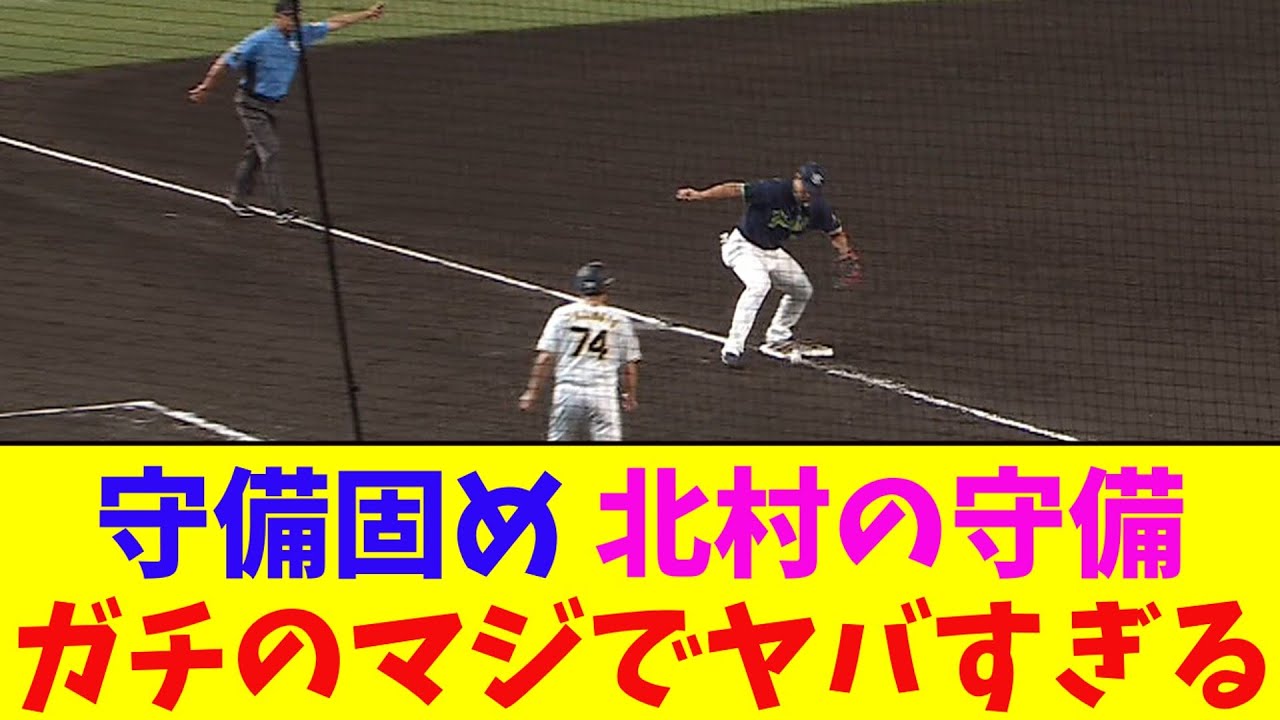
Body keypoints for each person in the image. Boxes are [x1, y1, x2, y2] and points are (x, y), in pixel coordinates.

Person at [187, 1, 386, 224]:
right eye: (290, 16)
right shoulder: (259, 40)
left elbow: (334, 23)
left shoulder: (300, 35)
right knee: (270, 150)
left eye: (297, 16)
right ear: (278, 17)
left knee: (255, 152)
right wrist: (206, 88)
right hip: (251, 105)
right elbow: (225, 60)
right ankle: (282, 211)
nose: (294, 20)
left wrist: (367, 14)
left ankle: (237, 198)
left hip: (272, 105)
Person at [676, 161, 862, 368]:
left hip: (772, 252)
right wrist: (701, 195)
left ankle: (778, 337)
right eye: (804, 186)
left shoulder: (818, 208)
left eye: (812, 190)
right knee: (759, 285)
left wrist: (845, 252)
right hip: (742, 247)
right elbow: (735, 189)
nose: (806, 193)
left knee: (802, 290)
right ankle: (732, 348)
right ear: (796, 178)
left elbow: (835, 232)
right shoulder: (773, 190)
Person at [519, 262, 642, 442]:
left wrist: (532, 393)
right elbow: (629, 365)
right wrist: (630, 395)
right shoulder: (620, 319)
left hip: (567, 392)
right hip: (603, 395)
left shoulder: (562, 314)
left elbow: (545, 358)